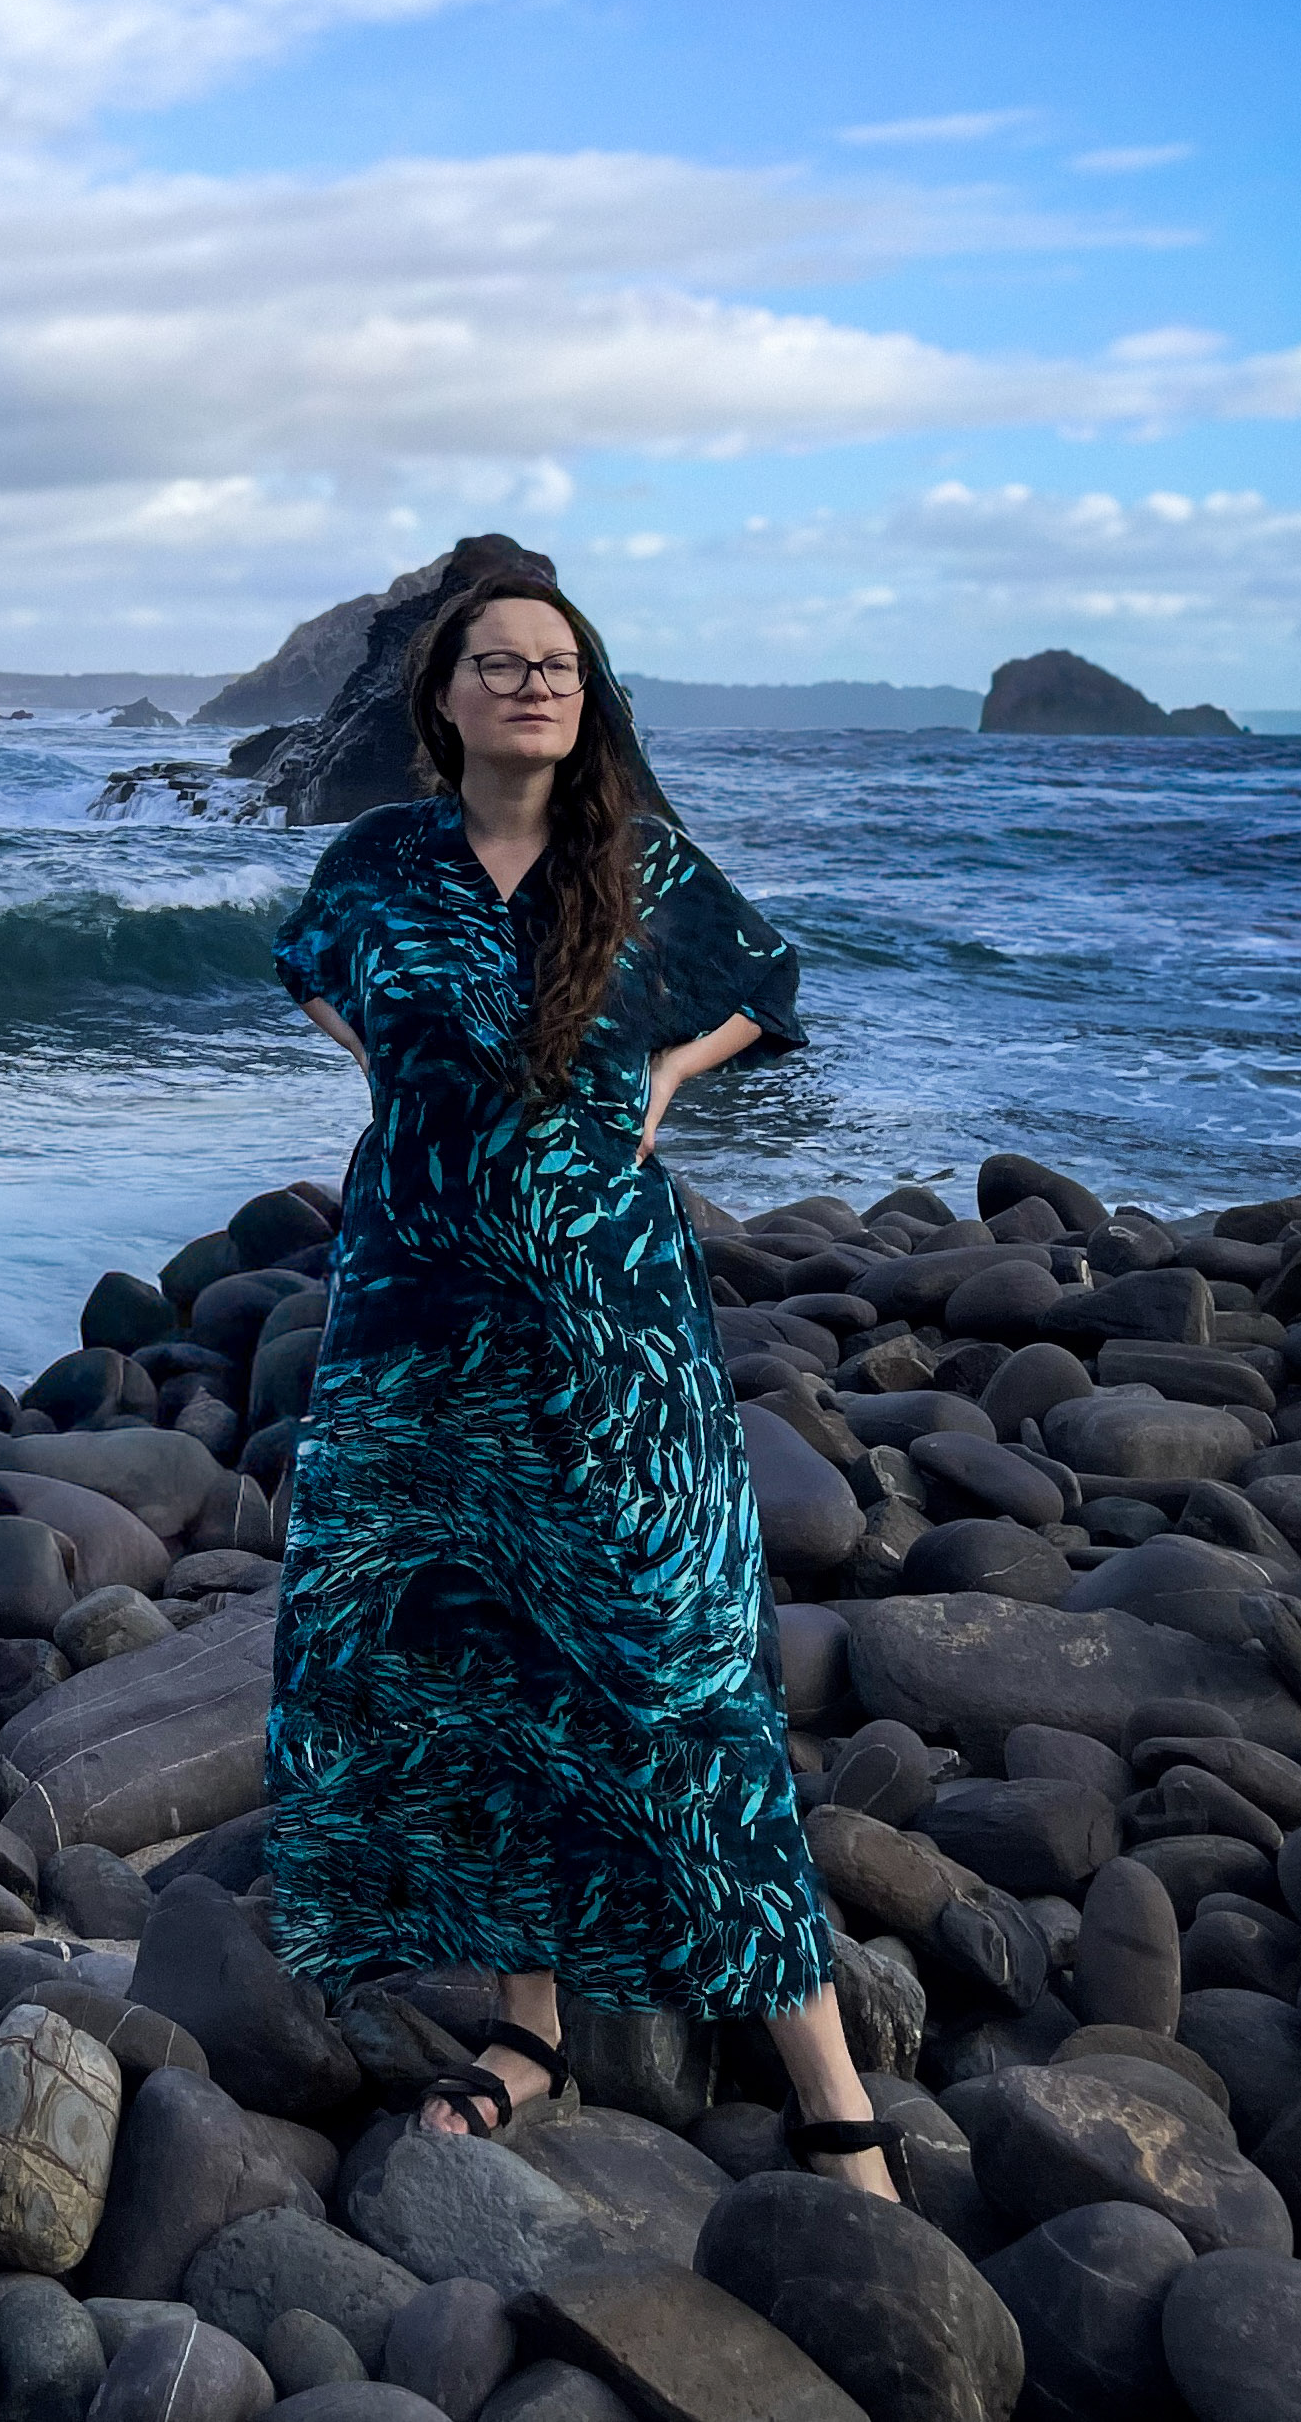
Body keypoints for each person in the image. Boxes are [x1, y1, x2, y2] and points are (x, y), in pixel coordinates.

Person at [265, 565, 905, 2198]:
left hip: (607, 1327)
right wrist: (399, 1071)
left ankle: (828, 2087)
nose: (533, 683)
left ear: (585, 693)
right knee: (464, 1647)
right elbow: (311, 970)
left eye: (557, 663)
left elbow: (767, 982)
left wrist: (666, 1073)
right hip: (415, 1323)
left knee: (677, 1668)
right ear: (444, 696)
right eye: (499, 662)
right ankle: (529, 2023)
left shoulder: (639, 861)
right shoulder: (378, 862)